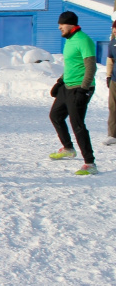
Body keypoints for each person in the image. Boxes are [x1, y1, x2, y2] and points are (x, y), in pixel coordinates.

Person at [49, 11, 98, 175]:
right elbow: (72, 65)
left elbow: (91, 67)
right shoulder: (69, 41)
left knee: (77, 124)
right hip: (67, 86)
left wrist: (84, 90)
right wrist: (60, 81)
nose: (59, 27)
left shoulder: (84, 40)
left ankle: (90, 164)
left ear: (70, 24)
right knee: (55, 115)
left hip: (80, 88)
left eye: (61, 24)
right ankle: (68, 148)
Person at [105, 21, 116, 146]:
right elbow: (110, 61)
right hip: (114, 79)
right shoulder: (112, 43)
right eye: (114, 29)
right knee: (113, 107)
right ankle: (112, 134)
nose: (115, 31)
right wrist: (108, 76)